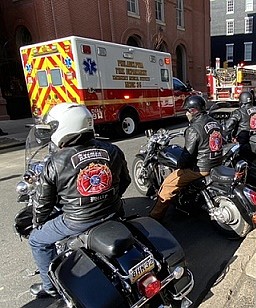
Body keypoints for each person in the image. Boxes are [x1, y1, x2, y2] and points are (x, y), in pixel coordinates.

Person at [28, 103, 131, 298]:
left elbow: (44, 202)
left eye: (54, 127)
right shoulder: (112, 150)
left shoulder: (56, 161)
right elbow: (125, 181)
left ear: (65, 127)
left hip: (77, 220)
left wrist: (38, 222)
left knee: (37, 240)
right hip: (113, 211)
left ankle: (50, 287)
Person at [149, 95, 223, 221]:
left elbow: (187, 154)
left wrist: (179, 166)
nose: (186, 113)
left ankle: (154, 217)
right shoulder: (214, 122)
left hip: (201, 168)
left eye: (187, 110)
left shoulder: (193, 129)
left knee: (168, 185)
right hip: (217, 162)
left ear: (193, 111)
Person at [223, 91, 256, 159]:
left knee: (226, 157)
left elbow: (228, 126)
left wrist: (223, 133)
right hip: (255, 139)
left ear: (241, 101)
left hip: (242, 141)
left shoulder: (238, 112)